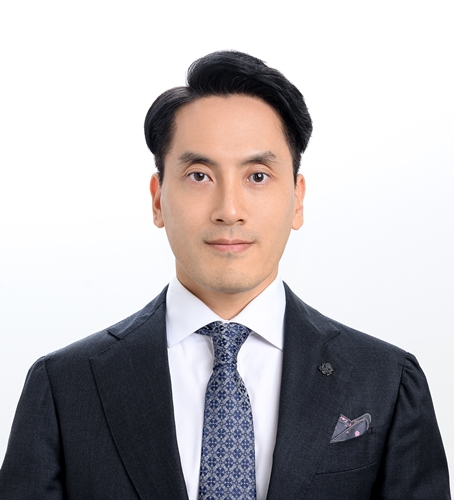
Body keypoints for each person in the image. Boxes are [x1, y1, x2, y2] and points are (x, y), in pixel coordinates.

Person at [0, 51, 450, 500]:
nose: (229, 210)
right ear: (158, 200)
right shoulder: (65, 387)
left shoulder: (385, 381)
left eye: (258, 176)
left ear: (297, 199)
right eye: (199, 175)